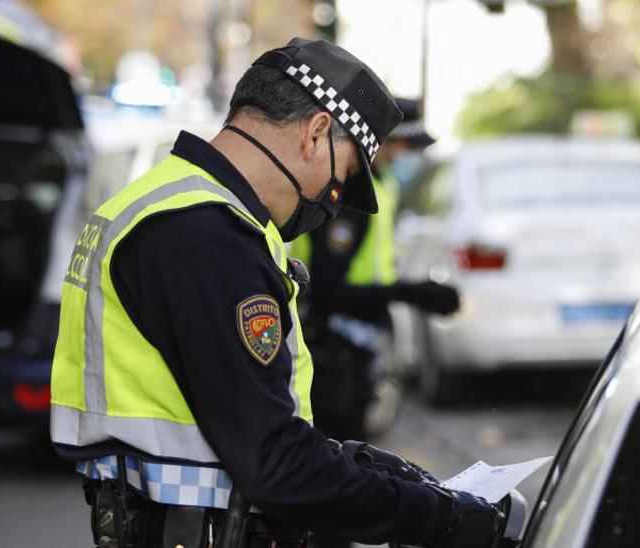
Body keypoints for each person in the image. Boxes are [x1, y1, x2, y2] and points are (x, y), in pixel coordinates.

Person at [49, 38, 504, 548]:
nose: (333, 201)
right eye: (346, 174)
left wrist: (352, 463)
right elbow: (274, 464)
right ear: (316, 132)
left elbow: (232, 415)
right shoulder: (207, 239)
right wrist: (441, 518)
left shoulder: (171, 206)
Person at [291, 98, 457, 448]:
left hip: (354, 349)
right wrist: (407, 292)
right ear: (378, 142)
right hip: (329, 350)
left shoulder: (382, 188)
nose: (409, 157)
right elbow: (327, 292)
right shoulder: (351, 199)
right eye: (405, 146)